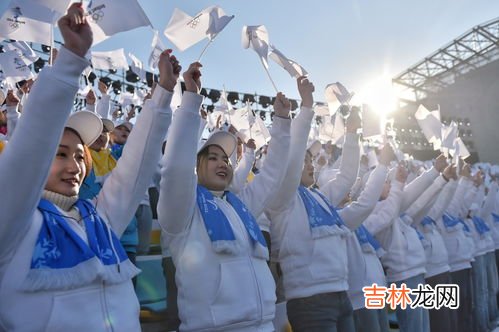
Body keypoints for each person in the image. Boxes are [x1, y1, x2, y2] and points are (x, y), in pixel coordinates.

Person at [0, 4, 175, 330]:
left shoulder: (102, 218)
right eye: (61, 154)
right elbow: (29, 148)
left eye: (81, 156)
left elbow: (136, 166)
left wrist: (163, 93)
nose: (74, 165)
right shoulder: (12, 223)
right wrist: (70, 62)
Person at [158, 61, 292, 331]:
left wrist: (282, 122)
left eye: (227, 159)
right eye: (213, 158)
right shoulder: (183, 210)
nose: (223, 163)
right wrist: (191, 98)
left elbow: (273, 173)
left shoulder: (240, 206)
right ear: (196, 166)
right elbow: (175, 167)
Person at [266, 76, 362, 332]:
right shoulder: (280, 198)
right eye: (305, 161)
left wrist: (351, 135)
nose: (310, 165)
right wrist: (306, 106)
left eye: (311, 161)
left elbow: (347, 177)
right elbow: (294, 158)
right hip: (310, 300)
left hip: (341, 293)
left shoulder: (319, 196)